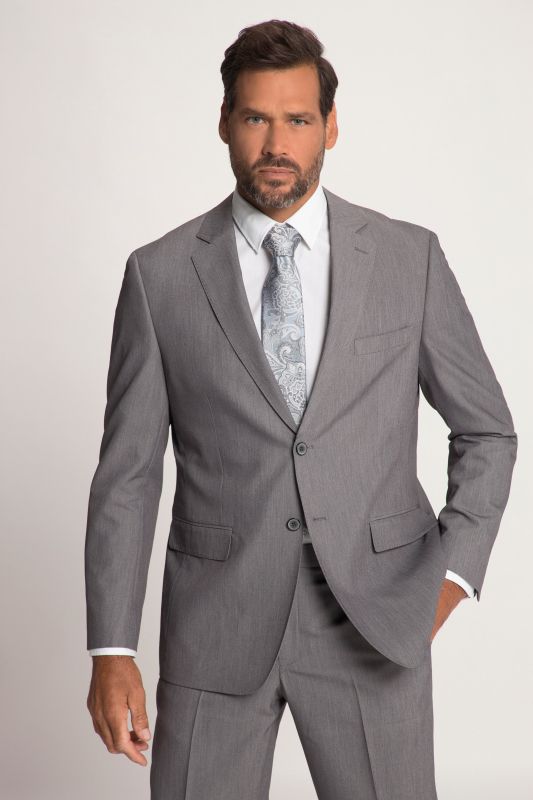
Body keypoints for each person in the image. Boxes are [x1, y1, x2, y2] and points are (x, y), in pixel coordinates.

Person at [84, 19, 518, 800]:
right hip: (214, 625)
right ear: (224, 121)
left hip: (375, 621)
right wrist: (111, 651)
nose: (276, 143)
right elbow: (128, 475)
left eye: (298, 119)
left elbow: (486, 430)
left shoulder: (407, 258)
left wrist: (449, 580)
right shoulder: (160, 276)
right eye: (256, 117)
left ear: (331, 126)